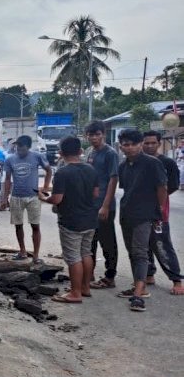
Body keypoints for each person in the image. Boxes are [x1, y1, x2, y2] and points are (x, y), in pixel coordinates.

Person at [38, 136, 99, 303]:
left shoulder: (63, 173)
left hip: (71, 221)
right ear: (80, 151)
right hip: (90, 219)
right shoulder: (91, 170)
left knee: (73, 257)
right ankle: (85, 287)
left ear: (60, 153)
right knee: (86, 253)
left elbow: (57, 199)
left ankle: (75, 292)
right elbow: (95, 194)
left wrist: (43, 198)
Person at [116, 129, 168, 312]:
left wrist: (160, 212)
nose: (129, 148)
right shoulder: (123, 166)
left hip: (145, 215)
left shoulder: (152, 163)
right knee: (132, 252)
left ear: (140, 145)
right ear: (120, 146)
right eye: (125, 144)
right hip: (126, 214)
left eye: (133, 144)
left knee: (140, 253)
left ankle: (138, 295)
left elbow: (162, 188)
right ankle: (140, 286)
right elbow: (126, 188)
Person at [142, 131, 184, 295]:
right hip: (140, 211)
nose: (150, 146)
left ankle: (176, 280)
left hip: (159, 212)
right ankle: (149, 274)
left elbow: (172, 185)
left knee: (162, 245)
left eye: (153, 143)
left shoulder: (167, 162)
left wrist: (158, 200)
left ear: (159, 143)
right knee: (144, 245)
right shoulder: (139, 162)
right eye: (147, 143)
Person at [0, 135, 53, 264]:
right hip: (16, 196)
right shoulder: (10, 159)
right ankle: (22, 251)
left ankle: (35, 255)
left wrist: (45, 188)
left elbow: (49, 170)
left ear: (28, 147)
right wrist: (5, 197)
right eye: (17, 147)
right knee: (18, 226)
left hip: (33, 196)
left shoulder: (37, 156)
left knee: (35, 225)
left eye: (22, 147)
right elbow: (7, 179)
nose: (19, 150)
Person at [84, 121, 120, 290]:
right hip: (90, 206)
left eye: (97, 134)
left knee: (107, 241)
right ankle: (88, 273)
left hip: (105, 206)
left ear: (103, 135)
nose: (94, 138)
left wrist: (105, 206)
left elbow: (113, 179)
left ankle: (109, 276)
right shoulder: (89, 152)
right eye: (91, 135)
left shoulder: (110, 153)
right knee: (90, 240)